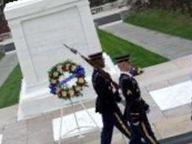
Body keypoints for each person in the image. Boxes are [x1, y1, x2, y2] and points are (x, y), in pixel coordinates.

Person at [115, 55, 159, 144]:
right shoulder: (125, 80)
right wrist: (135, 116)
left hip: (137, 110)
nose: (131, 64)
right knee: (148, 135)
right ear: (123, 65)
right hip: (137, 113)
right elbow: (131, 99)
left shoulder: (127, 78)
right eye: (129, 63)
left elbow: (136, 96)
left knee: (136, 138)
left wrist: (144, 105)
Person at [90, 52, 132, 144]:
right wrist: (117, 98)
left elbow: (108, 90)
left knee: (107, 130)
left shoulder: (99, 74)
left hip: (106, 106)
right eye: (101, 59)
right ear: (96, 61)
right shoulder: (99, 76)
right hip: (110, 107)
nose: (104, 60)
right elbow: (105, 94)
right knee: (125, 127)